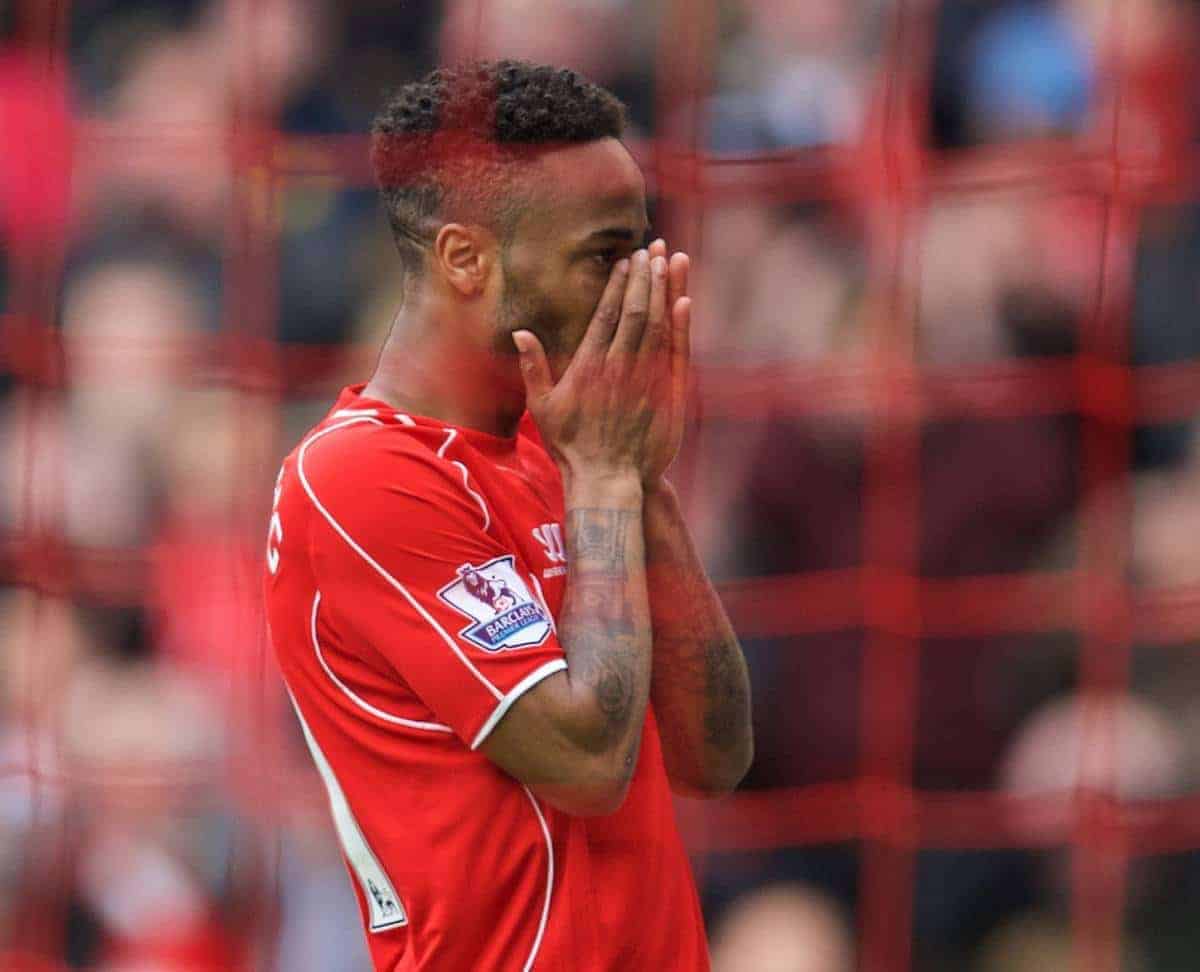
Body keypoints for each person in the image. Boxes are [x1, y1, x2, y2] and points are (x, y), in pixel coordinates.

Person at [262, 59, 753, 971]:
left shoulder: (567, 447)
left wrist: (646, 490)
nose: (636, 290)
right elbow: (585, 766)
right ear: (465, 259)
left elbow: (715, 758)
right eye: (603, 256)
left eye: (642, 251)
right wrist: (606, 481)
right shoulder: (359, 475)